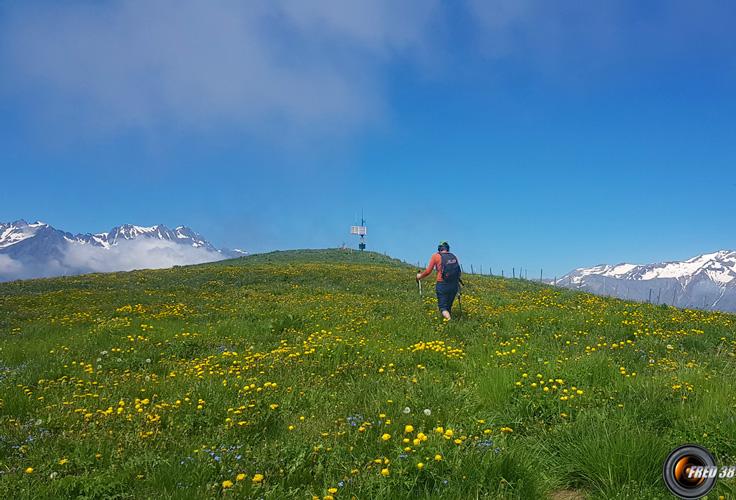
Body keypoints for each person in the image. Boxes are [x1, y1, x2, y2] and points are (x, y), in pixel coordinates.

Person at [416, 241, 462, 320]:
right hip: (454, 285)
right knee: (448, 306)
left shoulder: (436, 256)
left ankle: (450, 322)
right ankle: (448, 324)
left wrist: (420, 276)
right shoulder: (454, 256)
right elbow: (458, 272)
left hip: (442, 284)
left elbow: (428, 271)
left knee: (443, 308)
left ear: (439, 249)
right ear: (448, 248)